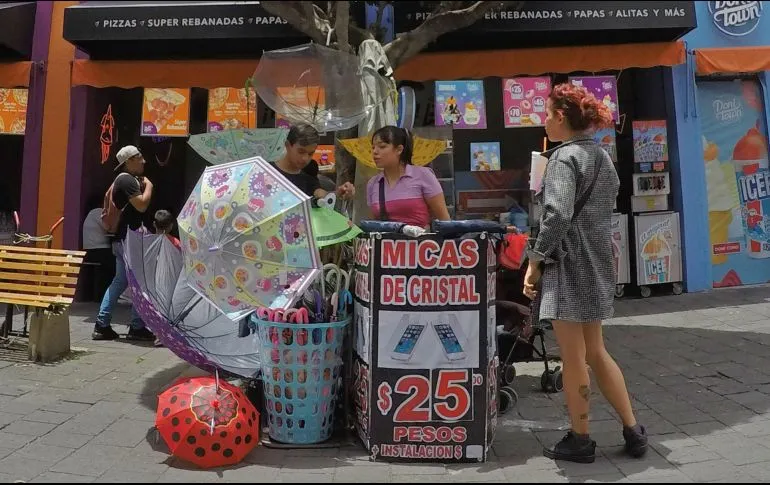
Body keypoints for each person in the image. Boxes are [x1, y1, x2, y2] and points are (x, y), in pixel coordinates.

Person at [524, 83, 647, 463]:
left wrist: (535, 259)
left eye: (546, 115)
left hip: (568, 264)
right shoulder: (602, 157)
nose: (544, 121)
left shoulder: (564, 159)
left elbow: (558, 214)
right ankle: (633, 429)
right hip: (597, 261)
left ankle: (580, 438)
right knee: (595, 350)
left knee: (574, 356)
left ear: (561, 117)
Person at [92, 145, 155, 341]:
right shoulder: (127, 180)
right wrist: (150, 186)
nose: (143, 161)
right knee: (139, 282)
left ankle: (102, 325)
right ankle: (136, 326)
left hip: (123, 238)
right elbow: (142, 205)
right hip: (129, 238)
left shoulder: (127, 180)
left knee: (121, 281)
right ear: (128, 161)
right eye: (139, 157)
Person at [366, 126, 450, 228]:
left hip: (420, 242)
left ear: (399, 149)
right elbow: (372, 225)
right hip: (386, 242)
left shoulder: (423, 175)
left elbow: (444, 220)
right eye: (373, 147)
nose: (375, 152)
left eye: (382, 146)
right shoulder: (373, 183)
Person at [273, 124, 355, 201]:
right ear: (287, 145)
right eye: (301, 152)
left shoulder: (309, 170)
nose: (305, 158)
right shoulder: (267, 169)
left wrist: (338, 193)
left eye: (310, 153)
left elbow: (320, 193)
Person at [80, 196, 115, 302]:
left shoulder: (90, 214)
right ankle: (105, 296)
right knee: (114, 265)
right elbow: (109, 227)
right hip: (98, 249)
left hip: (90, 250)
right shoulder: (98, 212)